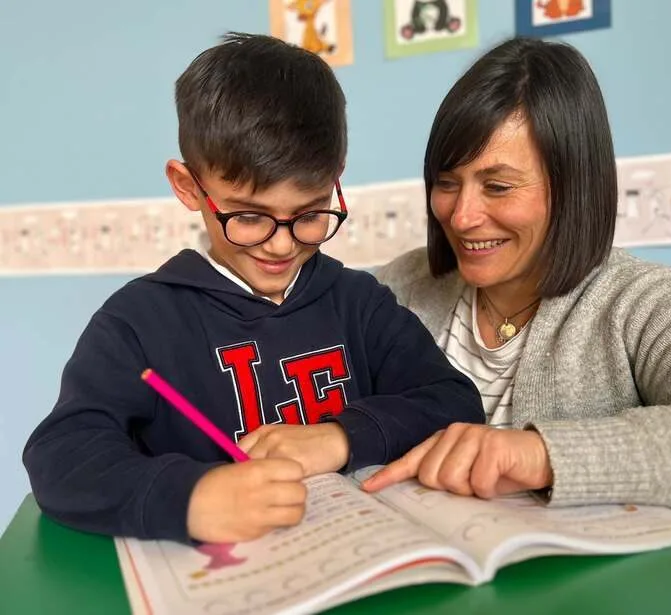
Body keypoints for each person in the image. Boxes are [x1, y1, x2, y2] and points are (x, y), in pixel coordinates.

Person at [22, 33, 483, 544]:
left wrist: (341, 437)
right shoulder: (137, 323)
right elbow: (61, 457)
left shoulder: (360, 303)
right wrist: (190, 497)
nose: (281, 245)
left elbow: (453, 402)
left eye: (310, 213)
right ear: (189, 187)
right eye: (247, 216)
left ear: (336, 179)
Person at [363, 37, 671, 510]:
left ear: (572, 186)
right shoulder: (398, 288)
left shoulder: (638, 305)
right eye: (446, 183)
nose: (461, 217)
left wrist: (544, 455)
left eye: (497, 187)